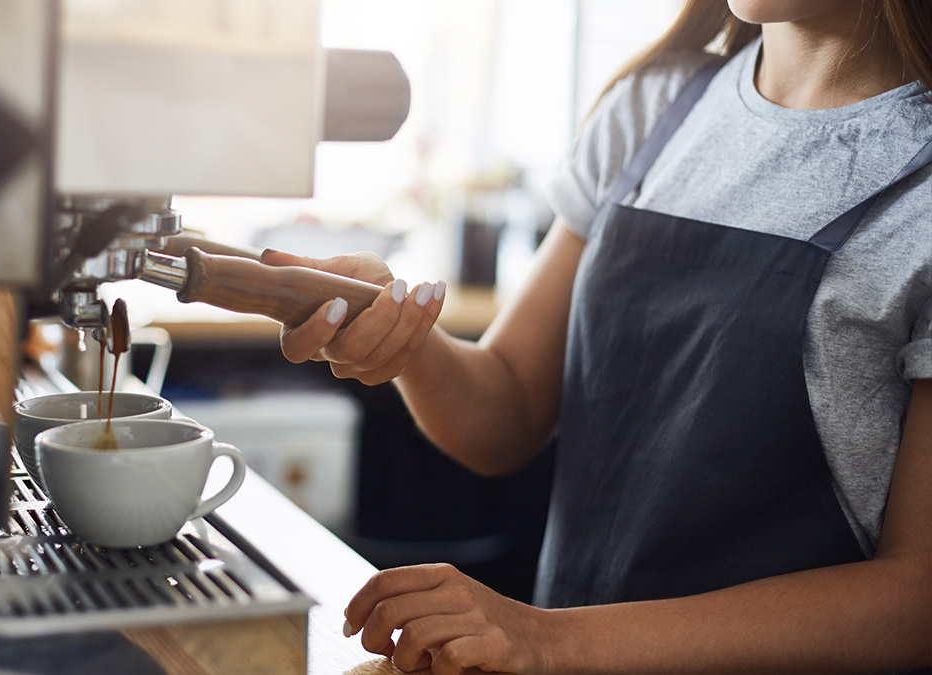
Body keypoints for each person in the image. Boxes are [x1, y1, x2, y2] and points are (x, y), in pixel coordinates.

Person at [261, 0, 932, 672]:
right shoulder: (654, 108)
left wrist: (548, 639)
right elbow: (510, 405)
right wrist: (400, 334)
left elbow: (915, 601)